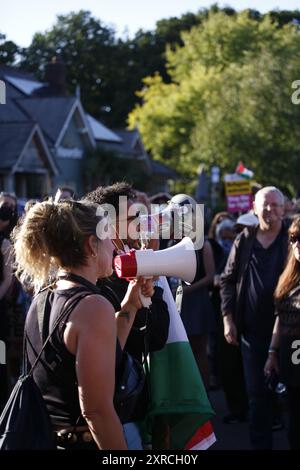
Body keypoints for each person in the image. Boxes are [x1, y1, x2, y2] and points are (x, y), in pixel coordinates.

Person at [12, 198, 153, 450]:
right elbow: (97, 411)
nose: (114, 245)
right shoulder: (92, 307)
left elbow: (100, 360)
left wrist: (129, 306)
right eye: (108, 236)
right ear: (91, 245)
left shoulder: (43, 297)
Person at [85, 183, 170, 448]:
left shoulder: (119, 268)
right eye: (134, 219)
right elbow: (154, 336)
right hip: (118, 415)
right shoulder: (104, 281)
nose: (142, 224)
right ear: (108, 226)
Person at [220, 186, 288, 449]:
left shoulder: (292, 238)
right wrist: (228, 318)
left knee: (292, 394)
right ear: (254, 208)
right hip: (251, 333)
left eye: (275, 205)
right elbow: (227, 280)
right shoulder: (245, 239)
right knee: (257, 397)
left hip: (290, 332)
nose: (270, 210)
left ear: (285, 208)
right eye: (265, 204)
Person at [264, 215, 300, 450]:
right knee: (294, 423)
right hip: (289, 355)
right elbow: (279, 316)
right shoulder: (288, 277)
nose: (297, 244)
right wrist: (272, 352)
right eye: (294, 238)